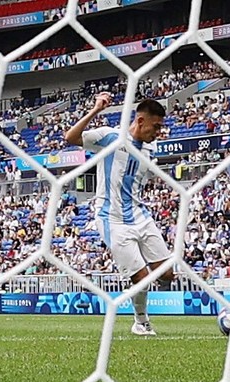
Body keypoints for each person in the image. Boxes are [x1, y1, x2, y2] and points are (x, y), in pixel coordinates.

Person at [64, 93, 174, 336]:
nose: (158, 132)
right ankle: (140, 321)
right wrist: (95, 110)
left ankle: (139, 286)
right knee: (143, 277)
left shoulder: (148, 151)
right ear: (141, 120)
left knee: (167, 273)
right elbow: (70, 138)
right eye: (155, 127)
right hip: (111, 219)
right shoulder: (110, 136)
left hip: (140, 216)